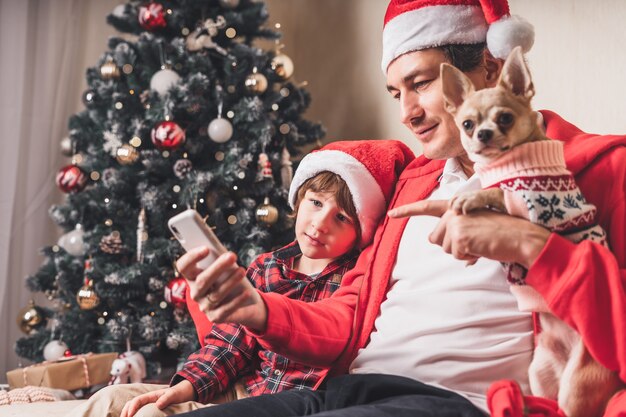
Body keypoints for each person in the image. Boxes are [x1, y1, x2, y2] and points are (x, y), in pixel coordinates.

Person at [170, 1, 626, 416]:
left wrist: (528, 243)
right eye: (395, 93)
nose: (407, 112)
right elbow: (349, 314)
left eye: (421, 83)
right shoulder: (415, 181)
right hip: (350, 388)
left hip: (458, 403)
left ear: (489, 67)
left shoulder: (602, 169)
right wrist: (260, 311)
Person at [63, 140, 413, 417]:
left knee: (150, 414)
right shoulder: (267, 266)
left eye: (342, 219)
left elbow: (333, 340)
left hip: (292, 402)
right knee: (111, 398)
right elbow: (231, 342)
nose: (321, 224)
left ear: (361, 231)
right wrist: (187, 386)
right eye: (316, 203)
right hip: (243, 386)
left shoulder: (352, 278)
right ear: (298, 199)